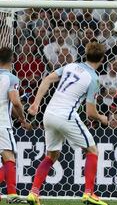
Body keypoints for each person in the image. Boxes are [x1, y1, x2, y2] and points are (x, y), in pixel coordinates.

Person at [26, 42, 109, 205]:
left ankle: (33, 193)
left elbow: (47, 79)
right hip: (66, 115)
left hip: (49, 114)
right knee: (92, 150)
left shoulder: (70, 66)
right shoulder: (93, 78)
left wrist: (36, 103)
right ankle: (89, 193)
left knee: (51, 155)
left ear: (85, 53)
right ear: (102, 59)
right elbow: (90, 113)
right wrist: (102, 118)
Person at [0, 47, 31, 203]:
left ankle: (11, 194)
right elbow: (16, 102)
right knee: (9, 158)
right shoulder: (11, 78)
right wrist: (23, 119)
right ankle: (12, 194)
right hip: (2, 124)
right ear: (12, 60)